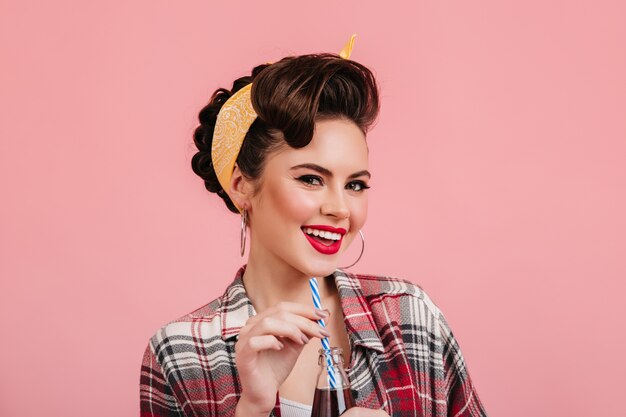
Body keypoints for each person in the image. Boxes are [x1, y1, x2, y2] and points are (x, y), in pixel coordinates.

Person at [139, 37, 487, 417]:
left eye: (355, 185)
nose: (339, 208)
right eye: (310, 179)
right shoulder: (181, 354)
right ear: (241, 185)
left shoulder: (409, 318)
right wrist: (252, 408)